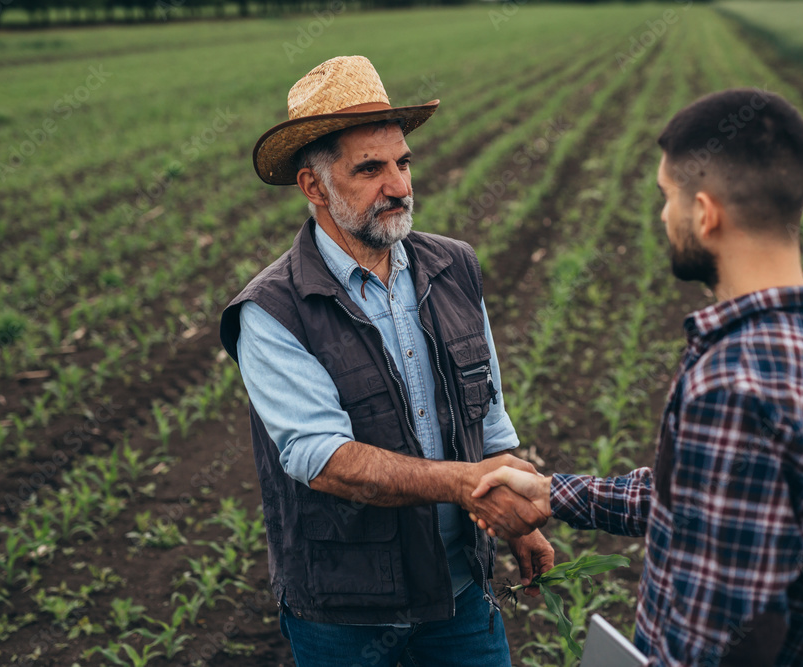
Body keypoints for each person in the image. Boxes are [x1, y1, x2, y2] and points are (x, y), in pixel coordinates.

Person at [470, 89, 803, 666]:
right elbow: (707, 506)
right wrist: (551, 492)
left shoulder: (734, 384)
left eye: (668, 198)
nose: (663, 215)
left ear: (706, 211)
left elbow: (720, 637)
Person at [217, 55, 554, 667]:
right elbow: (326, 460)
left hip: (461, 597)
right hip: (346, 615)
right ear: (314, 187)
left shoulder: (453, 267)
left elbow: (489, 417)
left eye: (402, 162)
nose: (398, 185)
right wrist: (470, 486)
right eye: (370, 169)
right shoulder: (272, 310)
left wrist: (519, 522)